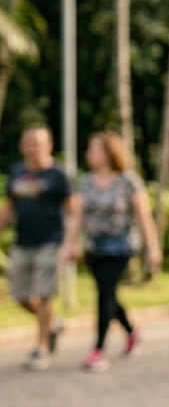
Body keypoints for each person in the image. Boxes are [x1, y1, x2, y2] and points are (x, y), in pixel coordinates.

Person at [61, 132, 160, 373]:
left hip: (120, 247)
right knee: (109, 295)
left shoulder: (128, 180)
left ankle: (98, 349)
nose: (89, 154)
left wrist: (153, 247)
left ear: (108, 152)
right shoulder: (87, 181)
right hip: (95, 247)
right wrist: (70, 243)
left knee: (104, 294)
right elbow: (78, 216)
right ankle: (132, 332)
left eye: (93, 149)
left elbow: (143, 216)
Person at [1, 125, 73, 370]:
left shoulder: (58, 174)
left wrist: (72, 243)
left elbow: (73, 210)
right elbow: (9, 207)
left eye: (37, 142)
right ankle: (52, 325)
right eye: (28, 142)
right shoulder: (17, 172)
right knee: (19, 295)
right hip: (23, 242)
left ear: (49, 145)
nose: (33, 147)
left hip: (51, 242)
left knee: (44, 295)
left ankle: (41, 349)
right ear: (22, 146)